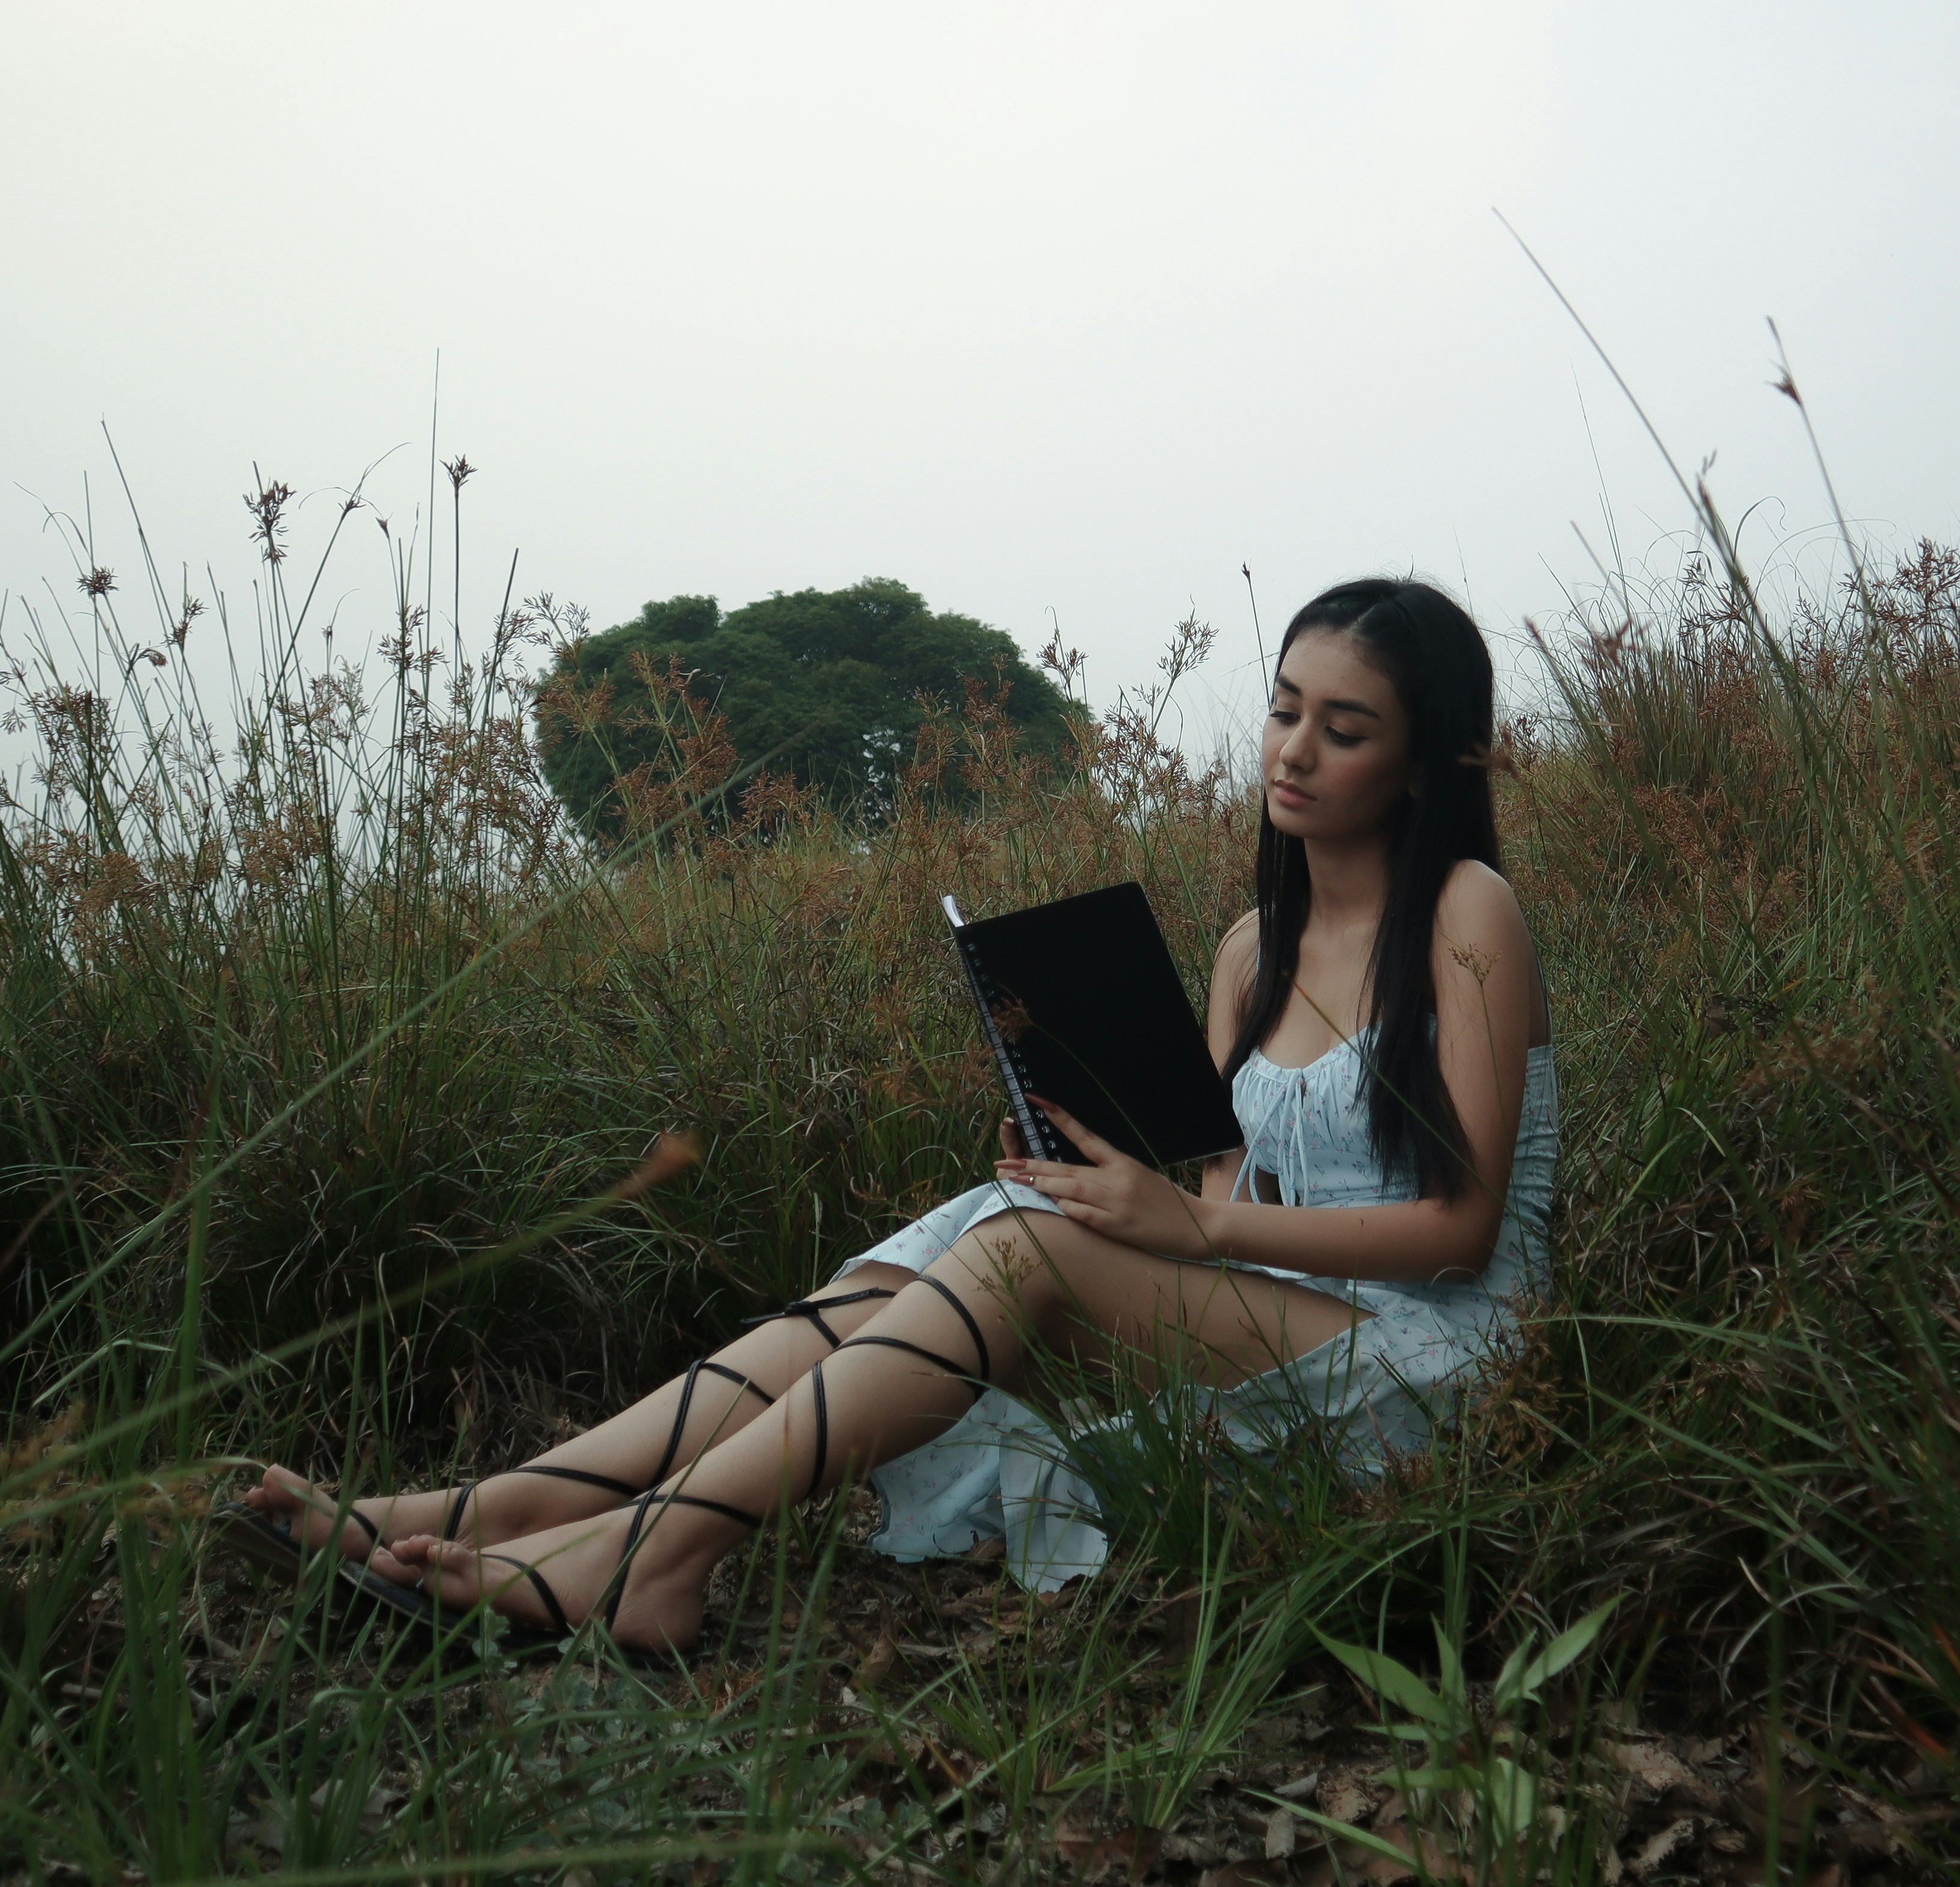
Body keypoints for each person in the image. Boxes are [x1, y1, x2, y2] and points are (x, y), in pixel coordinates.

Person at [222, 576, 1558, 1653]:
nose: (1296, 748)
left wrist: (1184, 1230)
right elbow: (1217, 1191)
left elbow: (1463, 1226)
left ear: (1425, 759)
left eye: (1346, 725)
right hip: (1280, 1319)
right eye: (1283, 709)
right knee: (998, 1218)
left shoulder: (1465, 911)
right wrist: (1101, 1163)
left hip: (1440, 1357)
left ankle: (656, 1553)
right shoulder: (1247, 950)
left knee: (1022, 1246)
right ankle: (507, 1502)